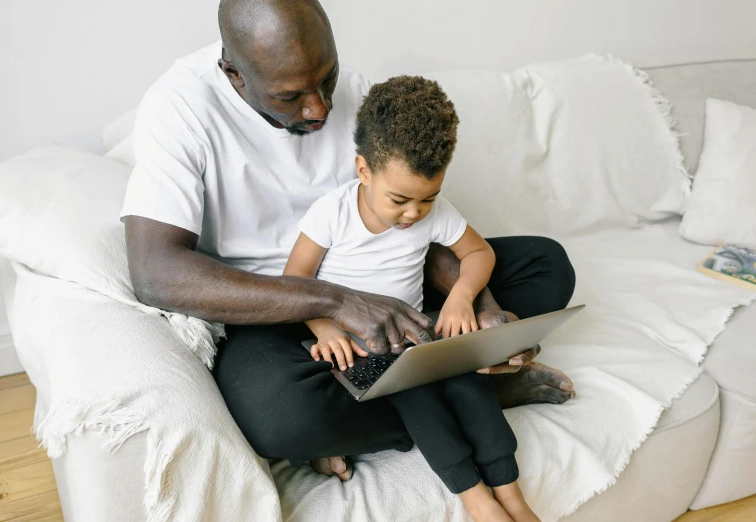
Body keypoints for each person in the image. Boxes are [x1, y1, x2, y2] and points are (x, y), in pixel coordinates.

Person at [122, 0, 575, 504]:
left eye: (327, 79)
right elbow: (155, 272)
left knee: (546, 265)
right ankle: (468, 393)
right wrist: (333, 302)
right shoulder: (180, 107)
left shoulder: (359, 95)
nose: (318, 108)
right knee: (279, 415)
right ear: (235, 73)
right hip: (271, 307)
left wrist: (485, 316)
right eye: (291, 96)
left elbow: (413, 227)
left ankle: (435, 381)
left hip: (385, 278)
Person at [283, 75, 540, 522]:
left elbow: (479, 252)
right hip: (365, 349)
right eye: (400, 199)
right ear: (364, 171)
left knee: (470, 384)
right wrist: (325, 329)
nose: (414, 214)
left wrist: (463, 297)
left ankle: (511, 492)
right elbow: (295, 280)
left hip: (419, 335)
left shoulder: (432, 211)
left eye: (428, 199)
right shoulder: (333, 213)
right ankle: (476, 498)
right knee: (419, 399)